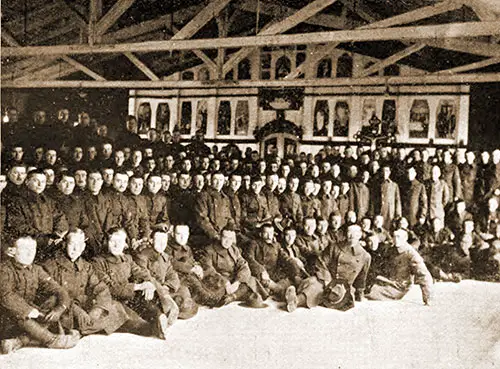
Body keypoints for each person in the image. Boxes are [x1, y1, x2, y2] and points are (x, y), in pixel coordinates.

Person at [0, 236, 79, 354]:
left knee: (54, 299)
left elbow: (59, 290)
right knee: (19, 313)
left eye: (33, 249)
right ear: (12, 251)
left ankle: (20, 341)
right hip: (7, 320)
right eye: (25, 249)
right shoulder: (4, 270)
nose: (30, 253)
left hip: (28, 323)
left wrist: (59, 309)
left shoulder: (36, 269)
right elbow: (6, 297)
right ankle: (51, 340)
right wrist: (28, 310)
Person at [43, 229, 129, 336]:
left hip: (82, 306)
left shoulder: (86, 266)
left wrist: (97, 310)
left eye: (79, 245)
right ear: (64, 245)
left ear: (83, 247)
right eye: (72, 244)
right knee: (54, 308)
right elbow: (55, 293)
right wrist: (76, 311)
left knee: (115, 307)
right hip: (65, 307)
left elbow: (100, 287)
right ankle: (81, 329)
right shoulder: (51, 265)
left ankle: (82, 329)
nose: (76, 249)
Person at [92, 228, 172, 339]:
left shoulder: (127, 259)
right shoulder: (98, 262)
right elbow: (109, 287)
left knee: (148, 305)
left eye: (120, 242)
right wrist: (138, 286)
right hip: (113, 300)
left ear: (125, 244)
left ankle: (158, 317)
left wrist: (148, 283)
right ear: (106, 242)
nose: (116, 245)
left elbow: (141, 272)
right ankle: (152, 326)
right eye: (112, 241)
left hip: (128, 296)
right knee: (137, 324)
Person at [285, 224, 370, 312]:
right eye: (349, 232)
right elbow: (321, 262)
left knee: (323, 291)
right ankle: (295, 301)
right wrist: (327, 280)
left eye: (355, 233)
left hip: (344, 288)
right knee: (314, 283)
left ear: (360, 235)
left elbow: (362, 278)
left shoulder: (365, 256)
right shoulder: (334, 247)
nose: (352, 235)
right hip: (327, 279)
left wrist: (360, 294)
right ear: (345, 233)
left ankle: (295, 300)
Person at [6, 169, 69, 262]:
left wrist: (57, 235)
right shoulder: (17, 201)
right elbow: (18, 226)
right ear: (27, 182)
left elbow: (60, 218)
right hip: (29, 247)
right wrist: (42, 239)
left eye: (43, 181)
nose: (40, 185)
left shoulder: (49, 201)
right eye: (36, 181)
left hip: (51, 246)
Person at [134, 230, 198, 320]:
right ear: (151, 241)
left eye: (164, 241)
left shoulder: (165, 256)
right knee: (155, 304)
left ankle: (175, 308)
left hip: (164, 288)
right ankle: (168, 312)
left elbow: (172, 273)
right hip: (152, 289)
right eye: (158, 240)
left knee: (184, 290)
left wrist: (167, 286)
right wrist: (161, 289)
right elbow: (145, 275)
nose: (162, 244)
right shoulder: (142, 255)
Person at [200, 225, 266, 307]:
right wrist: (225, 283)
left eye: (230, 239)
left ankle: (232, 297)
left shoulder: (234, 249)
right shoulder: (209, 250)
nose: (227, 241)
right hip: (218, 281)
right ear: (220, 237)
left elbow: (244, 265)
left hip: (233, 280)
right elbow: (209, 270)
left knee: (251, 279)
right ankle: (236, 295)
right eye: (225, 238)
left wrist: (237, 282)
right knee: (215, 291)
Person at [367, 229, 432, 306]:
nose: (396, 239)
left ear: (405, 238)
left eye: (399, 237)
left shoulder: (411, 254)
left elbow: (424, 275)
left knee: (369, 292)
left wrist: (427, 298)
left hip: (398, 287)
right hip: (386, 281)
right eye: (394, 237)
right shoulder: (392, 249)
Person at [244, 223, 299, 301]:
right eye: (266, 233)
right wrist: (261, 270)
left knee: (288, 280)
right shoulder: (254, 244)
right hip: (259, 274)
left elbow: (285, 258)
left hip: (273, 274)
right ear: (260, 234)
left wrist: (294, 265)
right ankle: (283, 293)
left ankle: (275, 290)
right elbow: (249, 258)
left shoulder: (276, 245)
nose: (269, 236)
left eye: (271, 233)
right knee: (260, 282)